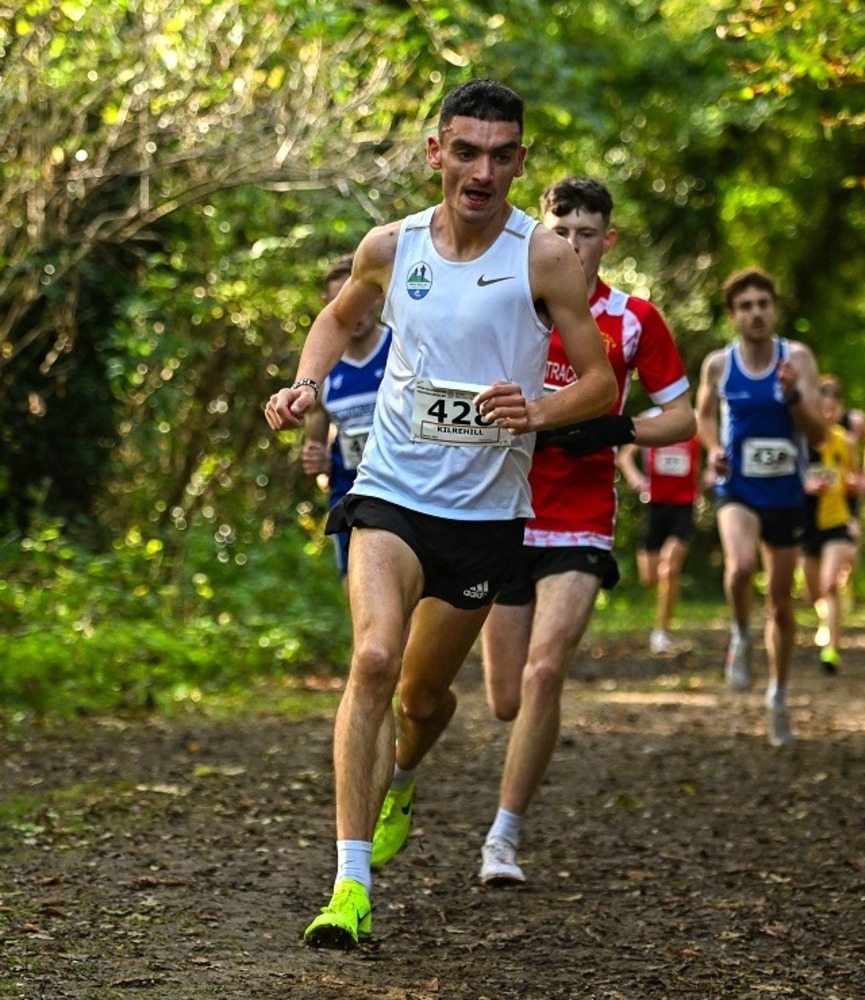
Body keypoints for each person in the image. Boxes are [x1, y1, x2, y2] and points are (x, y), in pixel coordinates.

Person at [264, 79, 617, 950]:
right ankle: (349, 885)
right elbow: (334, 316)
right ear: (437, 153)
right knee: (375, 657)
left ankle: (405, 777)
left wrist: (539, 411)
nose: (482, 171)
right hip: (390, 489)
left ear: (520, 162)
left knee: (423, 701)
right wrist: (306, 384)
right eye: (466, 151)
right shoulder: (391, 245)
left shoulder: (546, 259)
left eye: (501, 155)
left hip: (487, 516)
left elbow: (601, 380)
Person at [474, 177, 695, 886]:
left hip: (580, 519)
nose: (573, 245)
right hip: (503, 510)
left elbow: (683, 417)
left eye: (587, 233)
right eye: (561, 231)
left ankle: (503, 838)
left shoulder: (632, 318)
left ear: (609, 238)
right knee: (504, 698)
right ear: (543, 231)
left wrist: (615, 426)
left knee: (545, 672)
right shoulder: (507, 301)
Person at [695, 268, 826, 747]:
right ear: (733, 316)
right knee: (740, 567)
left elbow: (820, 435)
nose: (755, 313)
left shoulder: (799, 359)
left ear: (774, 310)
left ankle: (778, 694)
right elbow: (703, 416)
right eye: (745, 306)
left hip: (786, 494)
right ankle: (739, 636)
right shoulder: (719, 364)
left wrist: (792, 395)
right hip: (739, 488)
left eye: (762, 304)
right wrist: (711, 448)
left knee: (781, 602)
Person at [301, 256, 391, 593]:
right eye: (341, 302)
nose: (353, 310)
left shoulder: (402, 349)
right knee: (358, 595)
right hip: (349, 496)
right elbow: (316, 445)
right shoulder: (322, 367)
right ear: (327, 305)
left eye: (360, 299)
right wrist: (317, 460)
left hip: (404, 492)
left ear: (378, 297)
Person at [800, 375, 865, 674]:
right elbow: (789, 478)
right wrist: (805, 485)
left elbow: (854, 477)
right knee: (813, 593)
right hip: (805, 523)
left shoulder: (845, 441)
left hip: (836, 520)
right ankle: (825, 619)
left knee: (830, 584)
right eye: (822, 409)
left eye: (833, 409)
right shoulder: (801, 441)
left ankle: (831, 649)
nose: (827, 415)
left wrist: (857, 484)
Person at [617, 419, 702, 653]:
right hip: (655, 505)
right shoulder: (651, 419)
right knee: (650, 577)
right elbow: (624, 456)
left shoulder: (693, 420)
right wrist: (635, 478)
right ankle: (661, 621)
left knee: (669, 569)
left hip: (684, 506)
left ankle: (661, 632)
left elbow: (717, 448)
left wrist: (709, 478)